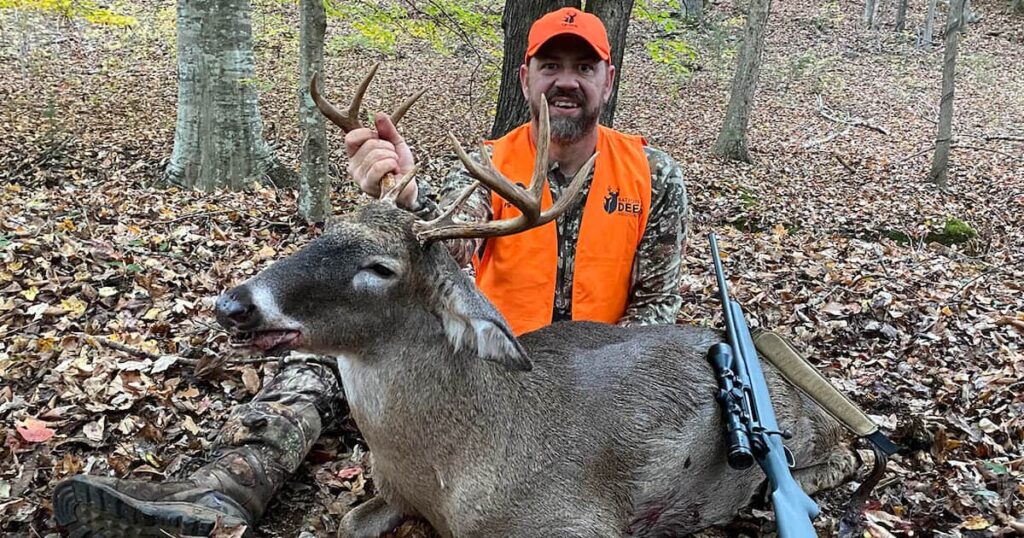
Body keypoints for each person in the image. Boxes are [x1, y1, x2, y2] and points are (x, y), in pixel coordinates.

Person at [51, 7, 689, 536]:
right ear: (526, 77)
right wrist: (402, 194)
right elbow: (434, 254)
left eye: (585, 67)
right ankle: (219, 491)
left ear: (608, 79)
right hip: (471, 367)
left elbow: (656, 308)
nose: (567, 81)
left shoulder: (653, 176)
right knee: (320, 355)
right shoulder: (485, 170)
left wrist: (597, 390)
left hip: (588, 380)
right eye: (552, 65)